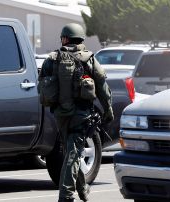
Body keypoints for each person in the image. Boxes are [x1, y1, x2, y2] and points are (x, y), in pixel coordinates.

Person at [39, 23, 114, 202]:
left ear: (64, 38)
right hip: (82, 114)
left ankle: (82, 190)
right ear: (81, 39)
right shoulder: (89, 58)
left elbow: (42, 86)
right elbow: (103, 88)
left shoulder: (52, 59)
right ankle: (66, 195)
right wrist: (108, 111)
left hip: (60, 114)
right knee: (73, 153)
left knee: (70, 152)